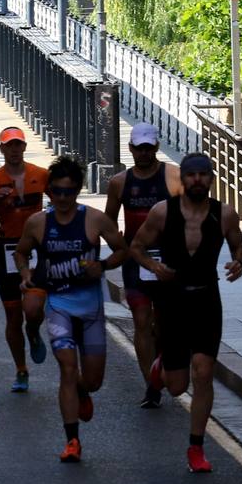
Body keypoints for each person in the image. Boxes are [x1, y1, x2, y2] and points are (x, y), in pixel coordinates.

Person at [129, 151, 242, 474]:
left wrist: (240, 261)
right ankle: (160, 367)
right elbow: (136, 248)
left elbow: (238, 244)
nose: (197, 180)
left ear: (211, 179)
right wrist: (155, 266)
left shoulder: (224, 215)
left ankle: (196, 447)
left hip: (207, 300)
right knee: (178, 386)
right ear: (182, 180)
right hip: (172, 302)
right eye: (191, 175)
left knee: (204, 372)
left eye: (203, 174)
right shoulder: (162, 212)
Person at [16, 157, 128, 463]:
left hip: (90, 308)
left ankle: (82, 390)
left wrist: (102, 265)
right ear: (49, 191)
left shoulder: (94, 220)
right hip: (59, 305)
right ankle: (72, 441)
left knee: (92, 381)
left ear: (78, 191)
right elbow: (22, 253)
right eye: (56, 192)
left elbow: (123, 249)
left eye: (68, 192)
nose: (62, 199)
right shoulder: (39, 222)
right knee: (67, 367)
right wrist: (26, 274)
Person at [103, 123, 182, 408]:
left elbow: (189, 214)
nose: (144, 153)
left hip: (167, 260)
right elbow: (108, 220)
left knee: (164, 325)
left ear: (157, 148)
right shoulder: (120, 182)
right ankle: (150, 385)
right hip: (137, 260)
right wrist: (120, 249)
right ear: (131, 148)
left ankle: (159, 364)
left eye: (149, 148)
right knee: (140, 321)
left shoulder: (173, 177)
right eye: (140, 148)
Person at [0, 127, 50, 393]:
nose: (15, 149)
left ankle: (34, 330)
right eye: (10, 145)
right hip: (7, 248)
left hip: (36, 249)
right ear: (2, 149)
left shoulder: (40, 176)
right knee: (12, 315)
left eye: (18, 144)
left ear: (25, 147)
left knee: (33, 309)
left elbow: (64, 203)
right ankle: (21, 369)